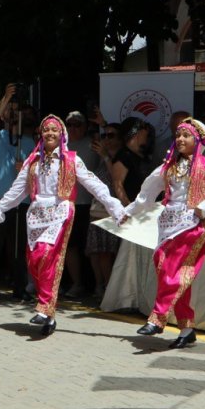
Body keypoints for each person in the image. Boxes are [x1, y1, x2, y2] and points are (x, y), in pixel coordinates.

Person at [0, 115, 124, 336]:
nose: (50, 133)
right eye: (46, 130)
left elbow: (94, 184)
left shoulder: (71, 159)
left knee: (46, 255)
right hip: (36, 213)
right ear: (41, 134)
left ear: (61, 134)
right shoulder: (33, 161)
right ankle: (49, 312)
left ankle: (45, 308)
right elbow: (17, 191)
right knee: (35, 261)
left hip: (60, 211)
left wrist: (114, 207)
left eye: (54, 129)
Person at [120, 117, 205, 348]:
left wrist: (204, 208)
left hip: (194, 224)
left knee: (176, 273)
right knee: (167, 270)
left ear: (198, 141)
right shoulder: (168, 165)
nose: (180, 139)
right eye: (178, 135)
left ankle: (157, 318)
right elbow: (147, 192)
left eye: (186, 136)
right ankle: (186, 328)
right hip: (168, 225)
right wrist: (128, 212)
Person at [0, 84, 36, 303]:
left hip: (20, 200)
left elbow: (35, 173)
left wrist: (25, 167)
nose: (13, 115)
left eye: (17, 112)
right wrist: (5, 98)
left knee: (18, 246)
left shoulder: (29, 141)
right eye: (10, 112)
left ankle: (20, 286)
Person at [86, 122, 124, 298]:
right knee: (96, 251)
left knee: (107, 252)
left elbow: (115, 179)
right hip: (97, 210)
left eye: (111, 135)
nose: (106, 139)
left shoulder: (119, 157)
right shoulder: (102, 156)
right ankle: (99, 286)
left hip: (112, 211)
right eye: (104, 135)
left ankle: (110, 289)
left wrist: (107, 157)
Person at [61, 110, 96, 298]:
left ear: (85, 126)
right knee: (71, 246)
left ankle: (95, 285)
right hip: (69, 204)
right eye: (69, 124)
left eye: (77, 124)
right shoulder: (61, 147)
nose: (73, 128)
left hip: (89, 204)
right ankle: (76, 284)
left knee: (91, 248)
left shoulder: (93, 143)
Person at [111, 117, 152, 206]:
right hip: (135, 213)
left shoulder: (142, 156)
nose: (147, 133)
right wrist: (129, 209)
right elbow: (117, 185)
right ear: (137, 132)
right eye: (145, 129)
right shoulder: (123, 156)